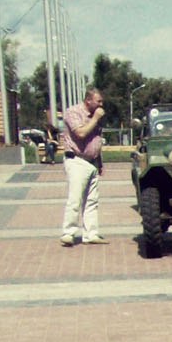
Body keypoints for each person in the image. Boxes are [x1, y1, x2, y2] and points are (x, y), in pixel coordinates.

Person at [58, 88, 107, 246]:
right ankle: (69, 232)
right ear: (88, 101)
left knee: (92, 200)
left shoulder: (95, 117)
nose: (101, 105)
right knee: (75, 198)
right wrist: (95, 118)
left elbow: (96, 139)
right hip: (76, 160)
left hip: (92, 161)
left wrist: (99, 162)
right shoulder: (73, 112)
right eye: (98, 101)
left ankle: (91, 233)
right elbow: (81, 133)